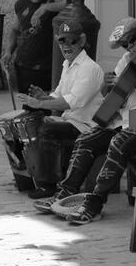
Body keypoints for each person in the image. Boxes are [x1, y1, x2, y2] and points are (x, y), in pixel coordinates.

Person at [33, 15, 136, 225]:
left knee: (118, 143)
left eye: (131, 40)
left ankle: (94, 203)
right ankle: (64, 193)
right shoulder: (126, 60)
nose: (128, 47)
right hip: (127, 118)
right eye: (124, 45)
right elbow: (113, 98)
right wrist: (108, 86)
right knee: (85, 140)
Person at [16, 19, 104, 199]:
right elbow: (59, 96)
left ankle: (48, 184)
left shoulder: (89, 68)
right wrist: (43, 97)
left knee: (47, 129)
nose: (66, 46)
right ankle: (33, 177)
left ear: (81, 41)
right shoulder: (67, 65)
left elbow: (71, 102)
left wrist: (40, 104)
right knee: (31, 123)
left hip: (86, 126)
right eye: (62, 41)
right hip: (71, 120)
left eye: (72, 41)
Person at [2, 0, 66, 92]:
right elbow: (15, 30)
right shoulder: (20, 4)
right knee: (26, 102)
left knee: (45, 103)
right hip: (23, 66)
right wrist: (8, 51)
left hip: (47, 68)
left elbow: (71, 2)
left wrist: (45, 8)